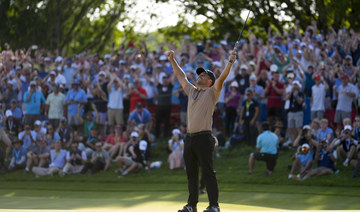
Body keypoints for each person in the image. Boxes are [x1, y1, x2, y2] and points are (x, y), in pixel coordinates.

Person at [168, 49, 236, 212]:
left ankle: (214, 205)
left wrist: (230, 62)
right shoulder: (192, 91)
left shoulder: (213, 91)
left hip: (204, 137)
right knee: (191, 174)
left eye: (204, 75)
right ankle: (191, 205)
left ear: (210, 81)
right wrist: (172, 60)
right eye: (200, 74)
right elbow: (181, 76)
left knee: (207, 172)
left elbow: (222, 78)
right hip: (189, 138)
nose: (200, 76)